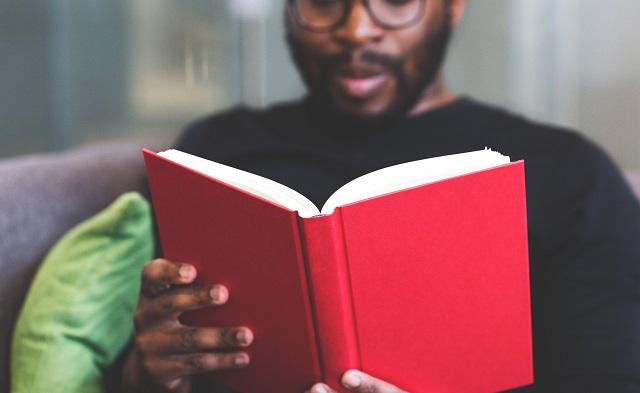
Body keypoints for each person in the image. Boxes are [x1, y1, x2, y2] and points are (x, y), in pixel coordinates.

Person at [117, 0, 640, 392]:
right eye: (323, 1)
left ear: (453, 6)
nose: (357, 29)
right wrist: (151, 369)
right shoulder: (211, 153)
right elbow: (144, 360)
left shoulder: (569, 173)